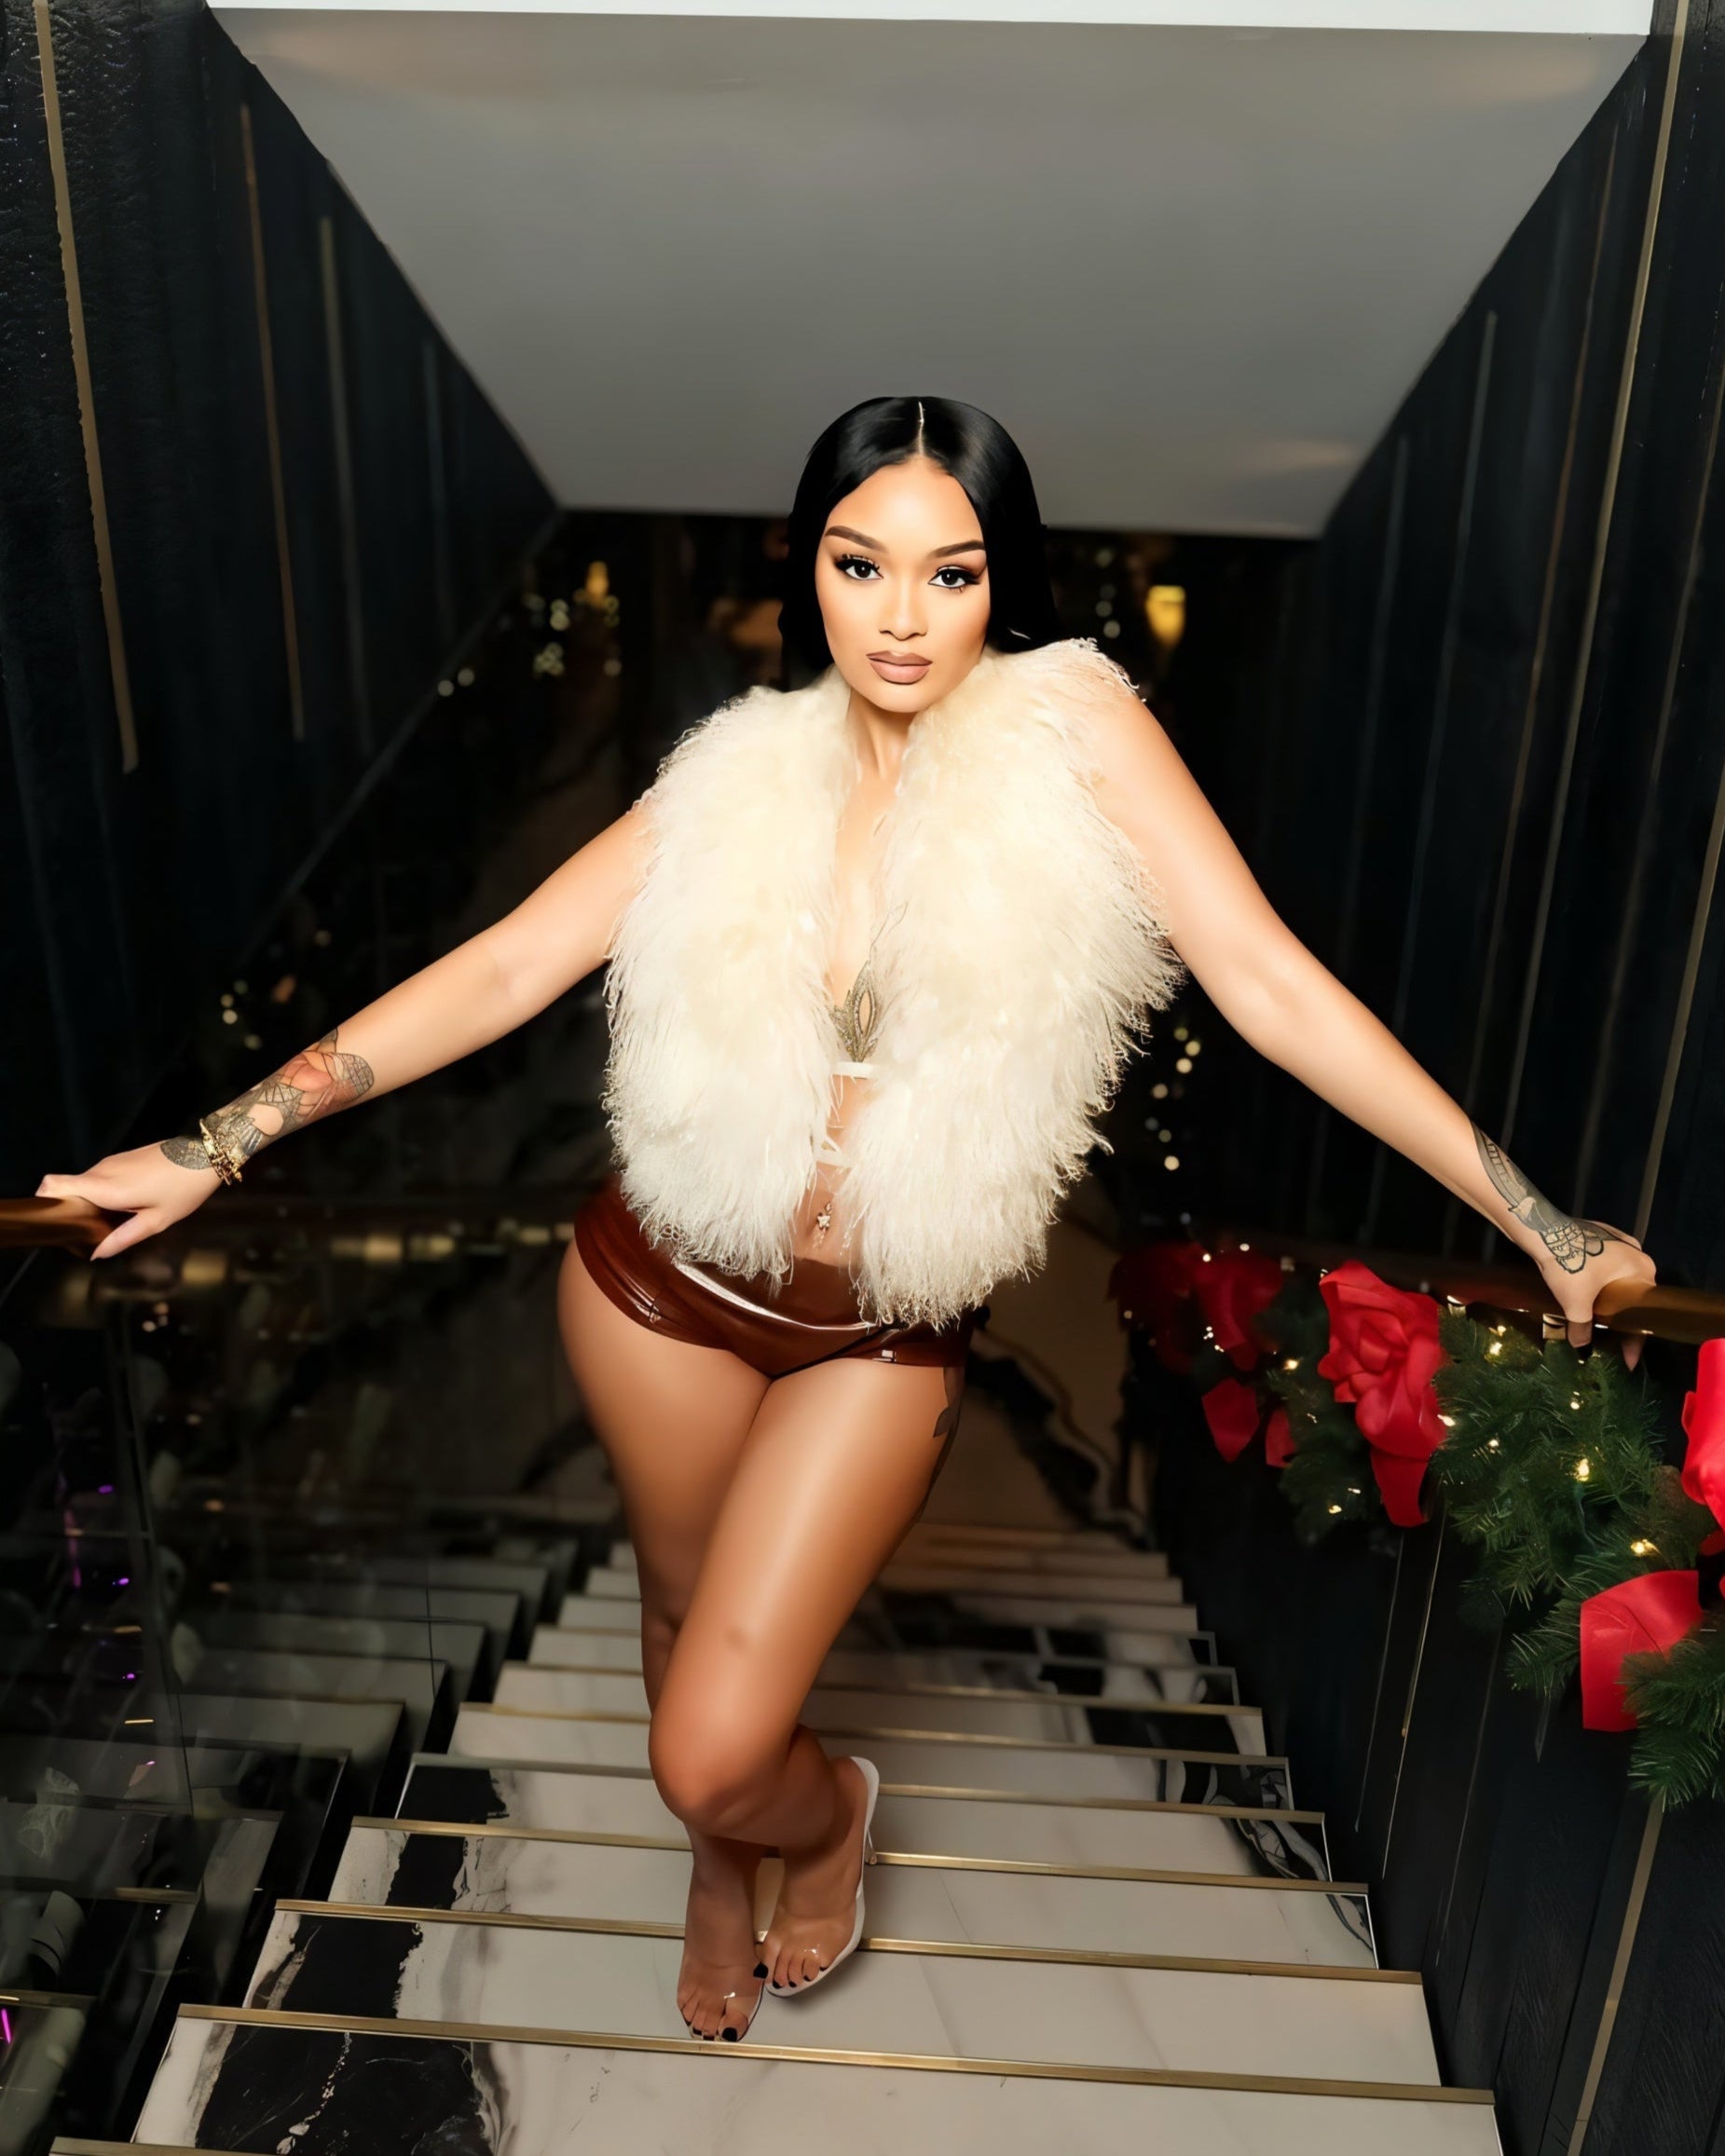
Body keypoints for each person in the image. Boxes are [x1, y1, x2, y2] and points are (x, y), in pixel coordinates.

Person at [38, 394, 1657, 2045]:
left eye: (951, 573)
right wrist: (217, 1143)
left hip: (877, 1333)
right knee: (679, 1619)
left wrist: (1532, 1215)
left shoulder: (1077, 733)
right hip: (657, 1296)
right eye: (859, 562)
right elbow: (513, 962)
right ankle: (716, 1874)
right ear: (805, 564)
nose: (900, 614)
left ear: (1002, 581)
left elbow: (1270, 984)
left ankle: (818, 1821)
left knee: (711, 1743)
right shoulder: (736, 770)